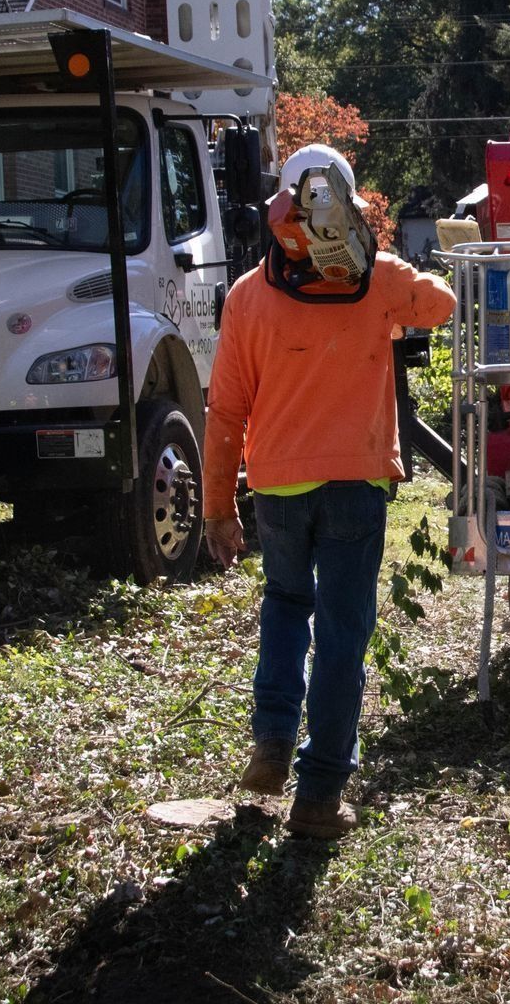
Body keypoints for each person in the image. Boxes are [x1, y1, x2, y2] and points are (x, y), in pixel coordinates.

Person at [202, 144, 457, 840]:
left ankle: (273, 740)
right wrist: (387, 261)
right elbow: (443, 304)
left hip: (280, 486)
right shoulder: (375, 283)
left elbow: (224, 412)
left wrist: (218, 508)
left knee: (286, 606)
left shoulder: (249, 296)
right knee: (343, 634)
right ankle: (317, 798)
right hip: (356, 486)